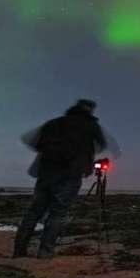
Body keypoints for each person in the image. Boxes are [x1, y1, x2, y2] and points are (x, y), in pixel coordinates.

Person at [13, 99, 113, 258]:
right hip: (70, 175)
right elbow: (102, 145)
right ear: (90, 110)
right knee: (58, 213)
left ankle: (19, 251)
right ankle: (45, 252)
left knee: (33, 212)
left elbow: (33, 142)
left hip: (46, 173)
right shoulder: (90, 126)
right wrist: (84, 157)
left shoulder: (54, 123)